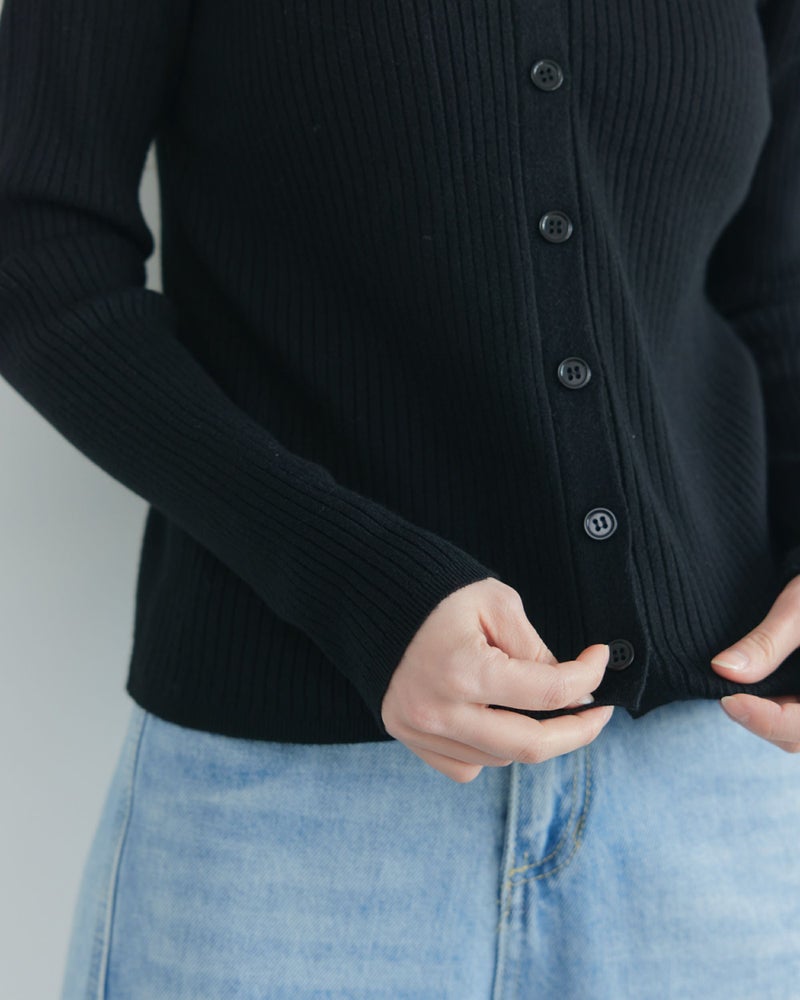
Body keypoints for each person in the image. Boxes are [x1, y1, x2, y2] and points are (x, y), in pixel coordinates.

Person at [1, 0, 799, 996]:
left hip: (713, 805)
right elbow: (35, 244)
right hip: (294, 825)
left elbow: (773, 280)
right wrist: (359, 584)